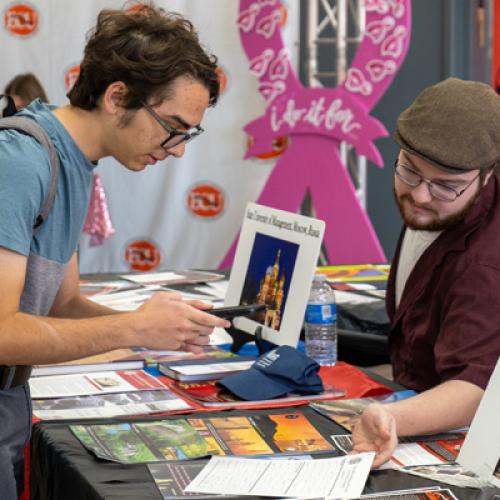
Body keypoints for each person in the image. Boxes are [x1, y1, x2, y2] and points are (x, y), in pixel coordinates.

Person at [0, 5, 230, 498]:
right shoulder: (21, 163)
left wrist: (157, 334)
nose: (177, 149)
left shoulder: (76, 163)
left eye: (189, 133)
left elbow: (62, 306)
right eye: (173, 126)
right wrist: (133, 327)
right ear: (117, 96)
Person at [351, 78, 500, 467]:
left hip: (458, 442)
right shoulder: (440, 202)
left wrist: (391, 419)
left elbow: (474, 388)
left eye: (445, 186)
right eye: (410, 172)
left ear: (486, 175)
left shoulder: (484, 263)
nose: (419, 195)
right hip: (410, 395)